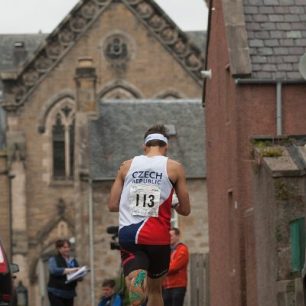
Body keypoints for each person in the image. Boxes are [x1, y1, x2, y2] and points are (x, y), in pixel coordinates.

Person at [108, 124, 191, 306]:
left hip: (130, 235)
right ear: (165, 146)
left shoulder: (126, 166)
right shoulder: (175, 167)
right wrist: (173, 201)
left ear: (144, 146)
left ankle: (137, 296)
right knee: (155, 290)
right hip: (157, 237)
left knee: (137, 279)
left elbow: (113, 205)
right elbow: (185, 210)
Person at [47, 239, 80, 306]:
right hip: (56, 292)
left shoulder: (72, 260)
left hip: (69, 293)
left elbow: (78, 273)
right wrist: (71, 270)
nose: (67, 249)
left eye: (68, 247)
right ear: (59, 248)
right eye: (64, 247)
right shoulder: (53, 259)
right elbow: (54, 270)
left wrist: (80, 273)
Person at [162, 228, 189, 306]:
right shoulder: (168, 250)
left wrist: (161, 271)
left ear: (178, 236)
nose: (169, 238)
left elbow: (174, 267)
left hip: (178, 286)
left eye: (171, 236)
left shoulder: (182, 249)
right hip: (166, 286)